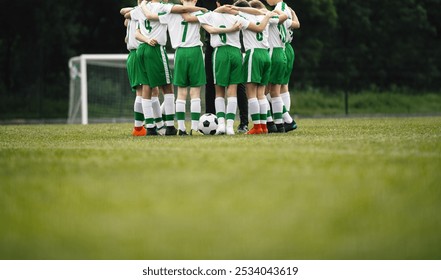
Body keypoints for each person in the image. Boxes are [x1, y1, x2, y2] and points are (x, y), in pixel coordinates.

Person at [142, 0, 241, 136]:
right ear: (195, 0)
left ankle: (181, 128)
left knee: (181, 93)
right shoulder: (199, 12)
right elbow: (210, 27)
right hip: (195, 51)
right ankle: (194, 128)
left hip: (180, 52)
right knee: (195, 93)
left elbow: (151, 17)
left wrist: (142, 5)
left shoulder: (170, 13)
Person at [185, 0, 274, 135]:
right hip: (236, 53)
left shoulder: (211, 15)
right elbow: (259, 27)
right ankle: (230, 127)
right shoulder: (238, 17)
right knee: (233, 90)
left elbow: (197, 23)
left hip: (220, 53)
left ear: (217, 3)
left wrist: (215, 11)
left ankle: (221, 125)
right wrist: (263, 14)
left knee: (219, 90)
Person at [129, 0, 206, 136]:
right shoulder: (166, 8)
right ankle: (172, 126)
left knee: (147, 87)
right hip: (160, 49)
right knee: (171, 88)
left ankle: (152, 126)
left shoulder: (143, 9)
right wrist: (204, 10)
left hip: (143, 49)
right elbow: (186, 14)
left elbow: (127, 15)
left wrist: (141, 5)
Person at [233, 0, 286, 134]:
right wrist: (267, 12)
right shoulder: (264, 15)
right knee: (261, 94)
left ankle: (257, 127)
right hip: (266, 55)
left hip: (253, 54)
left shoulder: (242, 17)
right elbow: (283, 16)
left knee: (251, 93)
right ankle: (263, 127)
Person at [264, 0, 293, 133]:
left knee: (264, 91)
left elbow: (284, 18)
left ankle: (282, 120)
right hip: (282, 50)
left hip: (274, 51)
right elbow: (295, 24)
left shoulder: (278, 9)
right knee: (276, 89)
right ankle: (280, 122)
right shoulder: (283, 8)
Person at [120, 1, 146, 136]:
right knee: (142, 92)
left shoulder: (133, 14)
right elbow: (123, 12)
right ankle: (138, 128)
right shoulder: (142, 13)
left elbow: (124, 13)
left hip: (134, 55)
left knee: (150, 91)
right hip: (137, 54)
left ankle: (145, 124)